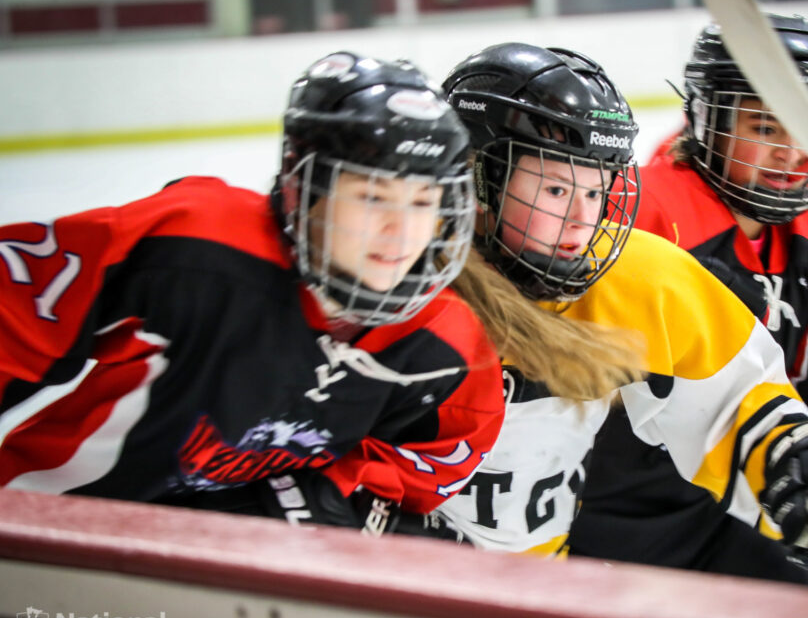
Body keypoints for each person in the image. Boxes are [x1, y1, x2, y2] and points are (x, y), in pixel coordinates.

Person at [0, 51, 640, 525]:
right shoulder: (193, 247)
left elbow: (431, 466)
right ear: (303, 192)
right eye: (371, 197)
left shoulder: (447, 342)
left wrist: (325, 499)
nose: (399, 233)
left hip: (216, 585)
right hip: (44, 552)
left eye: (422, 201)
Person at [428, 42, 808, 579]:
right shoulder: (391, 282)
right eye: (555, 188)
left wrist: (790, 465)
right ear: (477, 178)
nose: (582, 221)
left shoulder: (630, 274)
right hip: (382, 592)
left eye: (597, 194)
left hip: (538, 595)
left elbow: (737, 399)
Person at [576, 15, 808, 570]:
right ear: (708, 120)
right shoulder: (636, 212)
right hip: (600, 525)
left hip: (736, 526)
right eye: (766, 128)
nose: (792, 151)